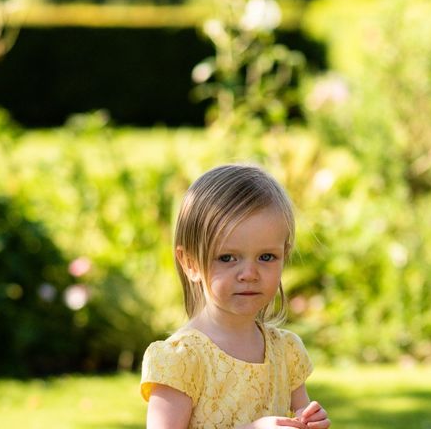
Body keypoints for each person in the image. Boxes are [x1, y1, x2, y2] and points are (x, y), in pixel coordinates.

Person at [140, 163, 331, 429]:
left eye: (266, 257)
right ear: (191, 263)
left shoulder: (286, 352)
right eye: (227, 258)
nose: (250, 273)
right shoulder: (181, 360)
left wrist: (309, 423)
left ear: (283, 255)